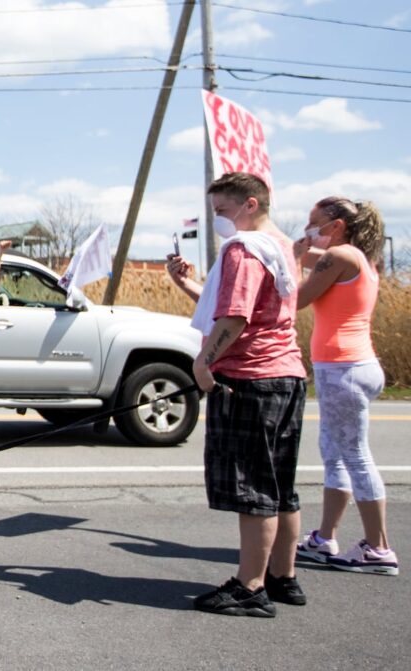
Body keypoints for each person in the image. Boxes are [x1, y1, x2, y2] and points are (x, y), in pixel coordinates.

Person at [166, 172, 307, 618]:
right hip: (286, 373)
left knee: (253, 488)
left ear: (250, 204)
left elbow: (235, 317)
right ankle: (282, 576)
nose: (218, 221)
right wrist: (186, 285)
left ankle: (250, 587)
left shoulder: (243, 250)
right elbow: (251, 308)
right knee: (280, 485)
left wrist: (202, 362)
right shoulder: (282, 247)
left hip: (250, 378)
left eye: (222, 210)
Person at [291, 197, 398, 575]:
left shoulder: (341, 256)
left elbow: (298, 298)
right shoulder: (358, 258)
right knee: (335, 454)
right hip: (350, 366)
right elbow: (307, 258)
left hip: (343, 369)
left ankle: (378, 548)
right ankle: (324, 538)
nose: (309, 228)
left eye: (315, 222)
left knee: (354, 456)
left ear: (336, 225)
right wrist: (292, 252)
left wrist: (295, 261)